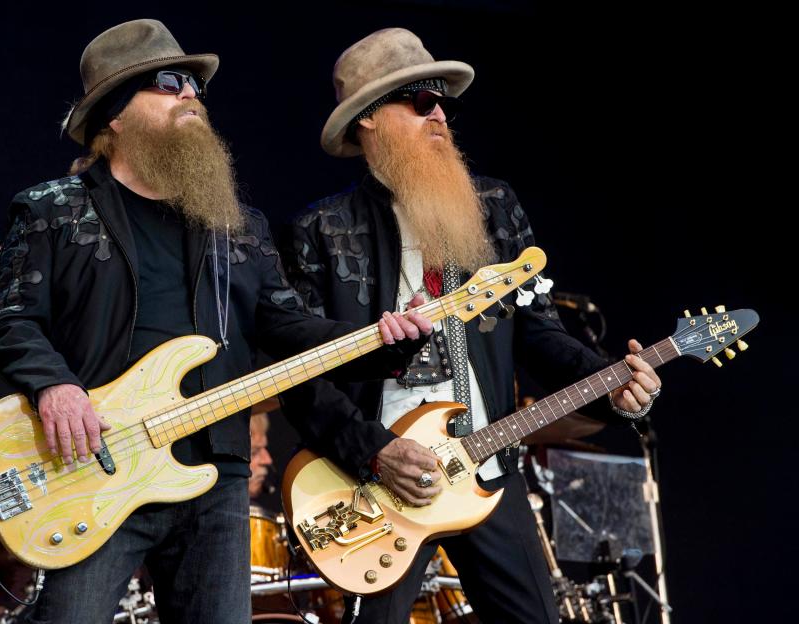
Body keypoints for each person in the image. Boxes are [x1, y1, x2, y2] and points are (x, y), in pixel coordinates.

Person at [0, 19, 432, 624]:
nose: (192, 95)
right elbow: (12, 320)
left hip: (216, 476)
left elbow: (289, 328)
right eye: (170, 83)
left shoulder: (236, 225)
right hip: (98, 463)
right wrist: (55, 387)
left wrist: (380, 342)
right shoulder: (55, 209)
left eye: (194, 84)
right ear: (115, 114)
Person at [282, 28, 663, 623]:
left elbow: (538, 332)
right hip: (377, 479)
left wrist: (614, 385)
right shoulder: (322, 230)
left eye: (445, 103)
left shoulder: (494, 206)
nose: (440, 115)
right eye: (420, 102)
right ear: (369, 120)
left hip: (484, 465)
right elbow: (302, 377)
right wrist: (378, 454)